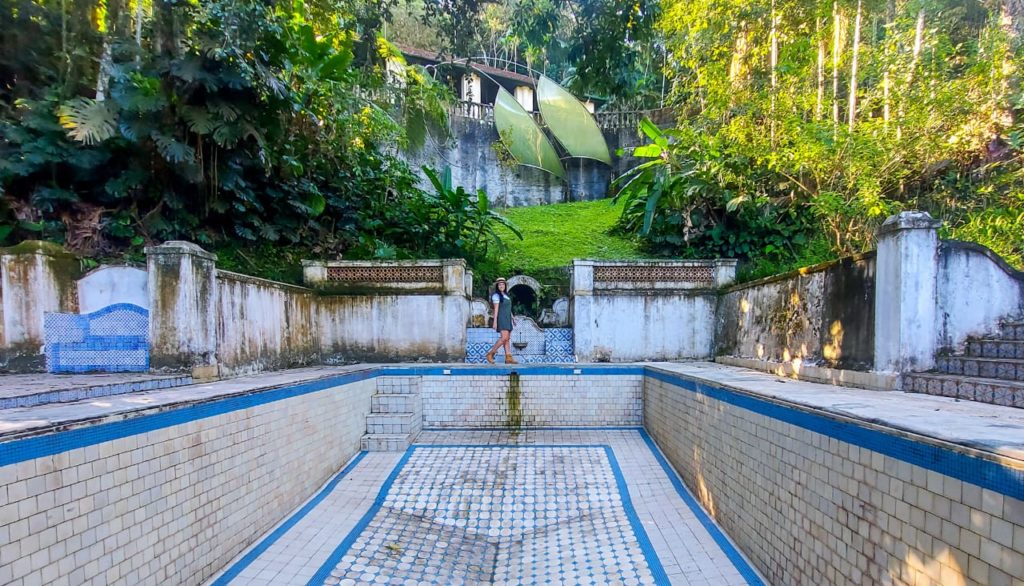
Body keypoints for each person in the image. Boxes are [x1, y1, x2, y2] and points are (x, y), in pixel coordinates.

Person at [485, 277, 518, 364]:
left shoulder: (506, 295)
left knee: (507, 338)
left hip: (507, 318)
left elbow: (508, 308)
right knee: (503, 337)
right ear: (497, 286)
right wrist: (495, 322)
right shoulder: (496, 296)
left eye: (503, 284)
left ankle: (508, 358)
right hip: (501, 318)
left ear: (505, 285)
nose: (501, 286)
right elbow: (496, 310)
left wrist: (512, 317)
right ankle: (490, 354)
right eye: (499, 284)